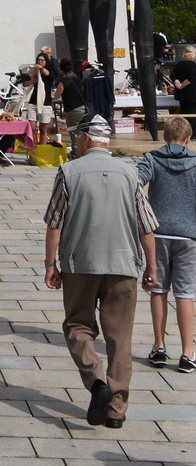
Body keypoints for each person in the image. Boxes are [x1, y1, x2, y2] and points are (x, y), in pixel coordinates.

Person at [43, 113, 158, 428]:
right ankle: (116, 410)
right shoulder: (129, 173)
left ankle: (97, 383)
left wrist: (50, 264)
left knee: (77, 326)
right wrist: (152, 266)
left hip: (81, 264)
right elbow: (146, 227)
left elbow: (55, 223)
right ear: (108, 141)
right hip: (123, 264)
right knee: (120, 337)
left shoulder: (69, 171)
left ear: (83, 139)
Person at [137, 115, 196, 372]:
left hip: (157, 233)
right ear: (188, 138)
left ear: (164, 136)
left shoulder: (152, 158)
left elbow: (135, 182)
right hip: (189, 236)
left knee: (158, 289)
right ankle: (187, 352)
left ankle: (159, 347)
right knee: (185, 293)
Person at [55, 60, 88, 142]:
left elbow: (56, 96)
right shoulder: (78, 79)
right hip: (82, 107)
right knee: (82, 131)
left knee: (74, 134)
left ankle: (77, 153)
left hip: (72, 109)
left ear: (61, 70)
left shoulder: (63, 82)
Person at [171, 48, 196, 116]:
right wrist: (182, 85)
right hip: (192, 94)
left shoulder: (177, 65)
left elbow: (172, 75)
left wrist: (177, 83)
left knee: (184, 113)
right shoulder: (193, 65)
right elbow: (192, 77)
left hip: (181, 94)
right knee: (192, 115)